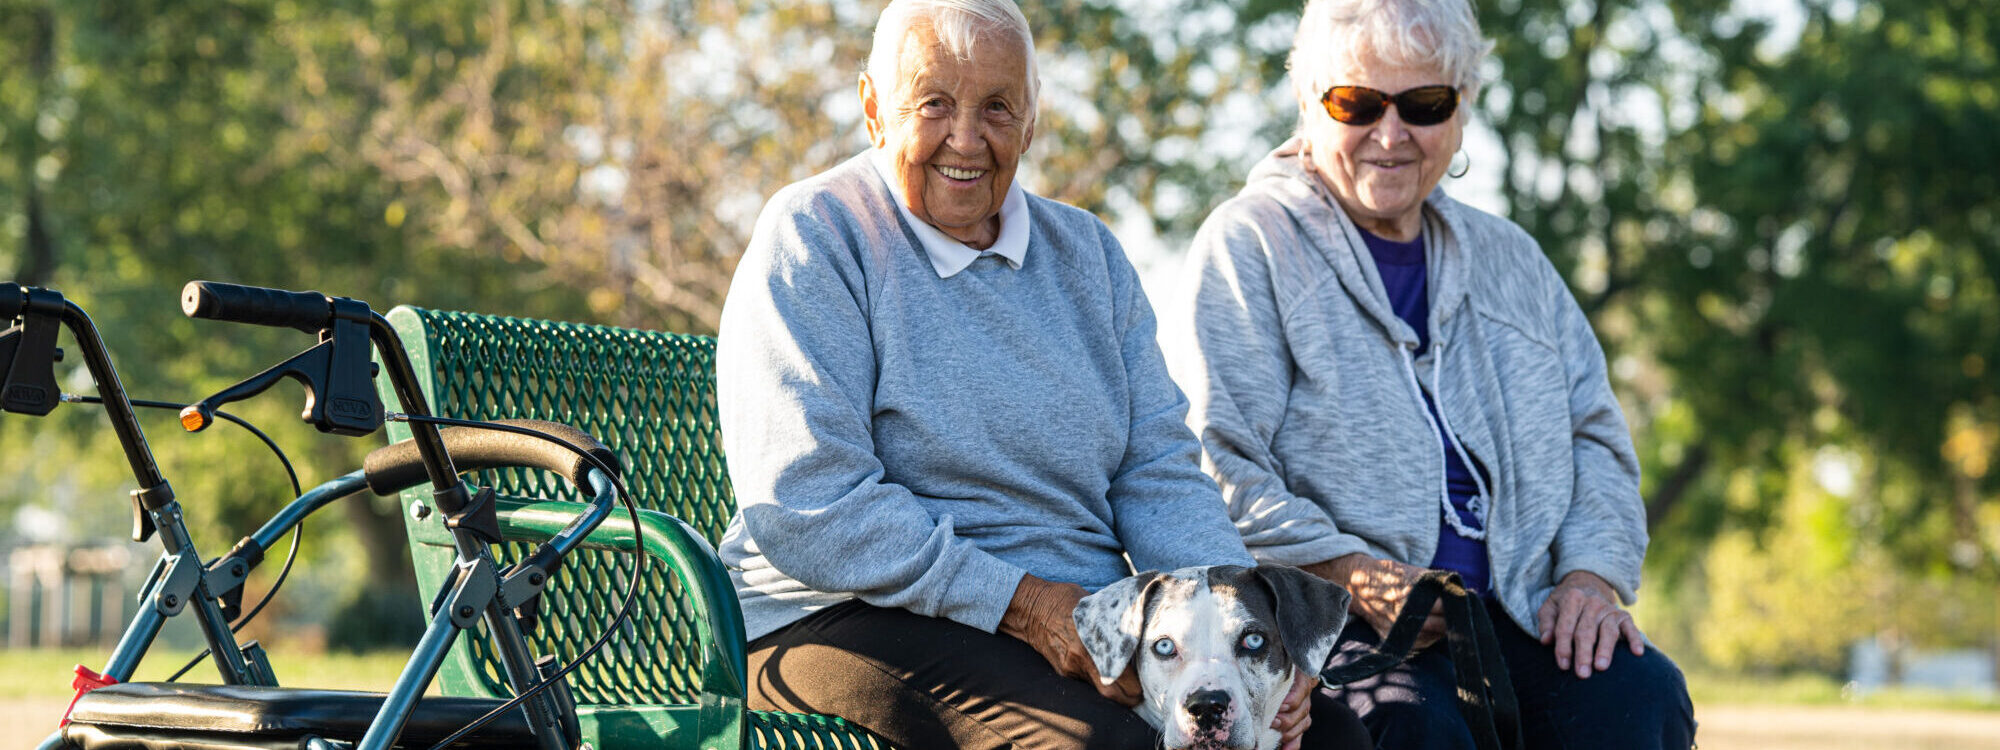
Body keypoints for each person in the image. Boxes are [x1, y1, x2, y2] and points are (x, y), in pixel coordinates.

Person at [714, 1, 1369, 748]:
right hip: (840, 616)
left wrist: (1242, 631)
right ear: (873, 108)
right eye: (933, 103)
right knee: (1102, 747)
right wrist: (1024, 605)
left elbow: (1156, 471)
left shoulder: (1088, 254)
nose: (966, 138)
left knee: (1327, 739)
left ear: (1031, 120)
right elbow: (810, 503)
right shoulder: (814, 234)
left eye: (997, 107)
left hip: (1081, 620)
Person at [1163, 0, 1697, 747]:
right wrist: (1350, 571)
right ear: (1308, 103)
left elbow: (1595, 437)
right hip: (1338, 619)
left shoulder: (1512, 259)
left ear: (1461, 110)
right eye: (1356, 103)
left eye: (1424, 103)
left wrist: (1589, 577)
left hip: (1519, 611)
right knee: (1407, 723)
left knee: (1641, 698)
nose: (1391, 134)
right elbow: (1216, 463)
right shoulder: (1249, 243)